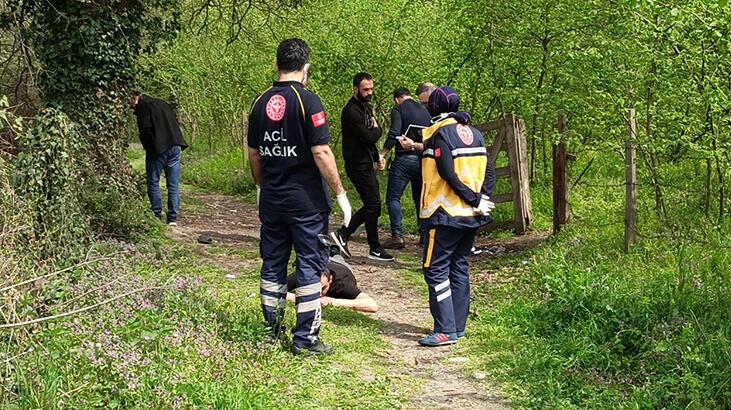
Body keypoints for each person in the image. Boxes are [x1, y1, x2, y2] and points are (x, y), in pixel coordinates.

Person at [247, 38, 352, 356]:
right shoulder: (308, 101)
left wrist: (261, 185)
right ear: (306, 68)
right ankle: (305, 339)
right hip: (306, 202)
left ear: (277, 66)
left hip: (273, 200)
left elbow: (253, 154)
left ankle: (271, 331)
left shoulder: (259, 102)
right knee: (309, 265)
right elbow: (321, 151)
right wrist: (341, 193)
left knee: (273, 264)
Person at [417, 86, 496, 347]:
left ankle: (444, 329)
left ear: (434, 108)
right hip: (471, 216)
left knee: (435, 268)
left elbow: (448, 174)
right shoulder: (475, 133)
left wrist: (472, 198)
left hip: (444, 213)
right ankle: (458, 327)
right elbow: (490, 171)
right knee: (459, 267)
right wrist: (482, 199)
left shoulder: (441, 134)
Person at [331, 72, 394, 262]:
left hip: (366, 163)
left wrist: (377, 158)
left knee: (372, 204)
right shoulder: (351, 111)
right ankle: (355, 239)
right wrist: (379, 130)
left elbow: (369, 141)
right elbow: (369, 136)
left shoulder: (365, 107)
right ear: (355, 89)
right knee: (373, 204)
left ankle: (350, 237)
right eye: (366, 89)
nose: (369, 92)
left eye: (371, 89)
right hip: (356, 165)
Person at [379, 87, 432, 249]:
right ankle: (424, 235)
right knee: (419, 199)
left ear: (397, 99)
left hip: (403, 159)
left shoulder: (398, 108)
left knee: (393, 197)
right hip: (421, 159)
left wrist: (383, 153)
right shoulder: (425, 111)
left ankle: (397, 236)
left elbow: (395, 132)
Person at [130, 92, 188, 226]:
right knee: (173, 184)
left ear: (134, 98)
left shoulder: (143, 107)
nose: (130, 106)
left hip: (158, 148)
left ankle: (156, 214)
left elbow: (145, 129)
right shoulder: (163, 103)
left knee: (153, 181)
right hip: (175, 145)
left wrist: (148, 147)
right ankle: (173, 217)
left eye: (130, 102)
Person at [286, 247, 379, 313]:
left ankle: (335, 251)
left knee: (339, 258)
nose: (318, 294)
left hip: (341, 266)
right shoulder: (303, 276)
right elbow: (277, 291)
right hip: (321, 262)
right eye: (314, 288)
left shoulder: (342, 284)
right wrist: (305, 298)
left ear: (330, 280)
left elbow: (372, 305)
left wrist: (333, 302)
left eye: (323, 289)